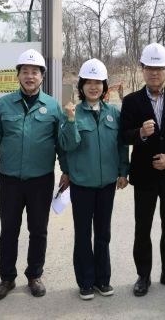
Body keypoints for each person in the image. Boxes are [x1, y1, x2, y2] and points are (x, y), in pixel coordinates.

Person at [0, 49, 69, 301]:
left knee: (38, 230)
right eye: (25, 72)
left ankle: (34, 275)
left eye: (35, 72)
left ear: (42, 76)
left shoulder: (52, 106)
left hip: (41, 180)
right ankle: (7, 278)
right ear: (18, 75)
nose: (30, 76)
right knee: (8, 230)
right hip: (10, 180)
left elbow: (61, 142)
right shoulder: (3, 104)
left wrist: (66, 170)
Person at [119, 43, 165, 297]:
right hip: (145, 175)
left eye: (159, 68)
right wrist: (140, 132)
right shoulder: (131, 101)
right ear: (142, 69)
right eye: (150, 68)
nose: (154, 73)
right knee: (143, 226)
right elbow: (123, 134)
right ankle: (143, 275)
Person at [60, 58, 129, 301]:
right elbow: (67, 146)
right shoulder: (72, 113)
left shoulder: (113, 113)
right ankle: (86, 282)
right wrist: (70, 121)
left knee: (103, 233)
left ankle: (103, 279)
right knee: (82, 234)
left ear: (104, 86)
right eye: (88, 82)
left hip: (107, 184)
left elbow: (121, 145)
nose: (93, 87)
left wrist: (123, 172)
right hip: (82, 184)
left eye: (98, 82)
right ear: (81, 86)